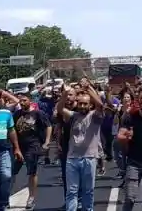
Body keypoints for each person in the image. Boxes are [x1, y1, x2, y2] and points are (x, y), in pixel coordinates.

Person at [56, 79, 104, 211]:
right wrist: (65, 94)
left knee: (88, 191)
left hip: (89, 158)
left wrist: (89, 88)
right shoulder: (73, 116)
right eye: (81, 104)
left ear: (90, 105)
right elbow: (60, 109)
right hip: (72, 159)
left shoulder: (95, 116)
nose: (82, 106)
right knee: (71, 192)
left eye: (85, 104)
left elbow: (100, 105)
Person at [11, 92, 52, 210]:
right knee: (12, 171)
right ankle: (6, 194)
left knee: (32, 172)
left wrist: (47, 142)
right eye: (20, 101)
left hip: (33, 146)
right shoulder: (16, 114)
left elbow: (48, 126)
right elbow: (12, 128)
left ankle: (31, 197)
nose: (22, 103)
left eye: (24, 100)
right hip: (19, 146)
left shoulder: (38, 113)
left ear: (30, 101)